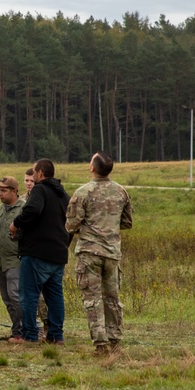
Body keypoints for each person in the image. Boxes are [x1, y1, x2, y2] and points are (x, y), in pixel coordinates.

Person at [66, 152, 133, 355]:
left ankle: (100, 343)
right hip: (112, 253)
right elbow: (127, 222)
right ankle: (115, 340)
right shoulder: (121, 192)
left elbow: (70, 224)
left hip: (89, 253)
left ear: (92, 168)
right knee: (112, 298)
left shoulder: (83, 193)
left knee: (92, 298)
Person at [9, 158, 71, 344]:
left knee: (29, 295)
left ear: (41, 174)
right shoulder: (65, 196)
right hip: (58, 253)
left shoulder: (39, 190)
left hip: (36, 252)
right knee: (55, 297)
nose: (32, 175)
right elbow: (72, 224)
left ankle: (29, 336)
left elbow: (33, 210)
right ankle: (55, 336)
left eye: (34, 172)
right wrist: (63, 244)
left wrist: (16, 224)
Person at [0, 176, 24, 343]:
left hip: (16, 261)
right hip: (1, 262)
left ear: (14, 191)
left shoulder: (23, 209)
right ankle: (16, 330)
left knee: (15, 295)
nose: (0, 194)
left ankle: (28, 329)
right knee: (7, 298)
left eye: (3, 190)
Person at [23, 166, 49, 340]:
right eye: (26, 181)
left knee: (43, 294)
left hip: (41, 250)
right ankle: (31, 328)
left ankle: (47, 324)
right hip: (26, 251)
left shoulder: (42, 197)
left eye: (32, 181)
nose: (29, 184)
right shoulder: (23, 200)